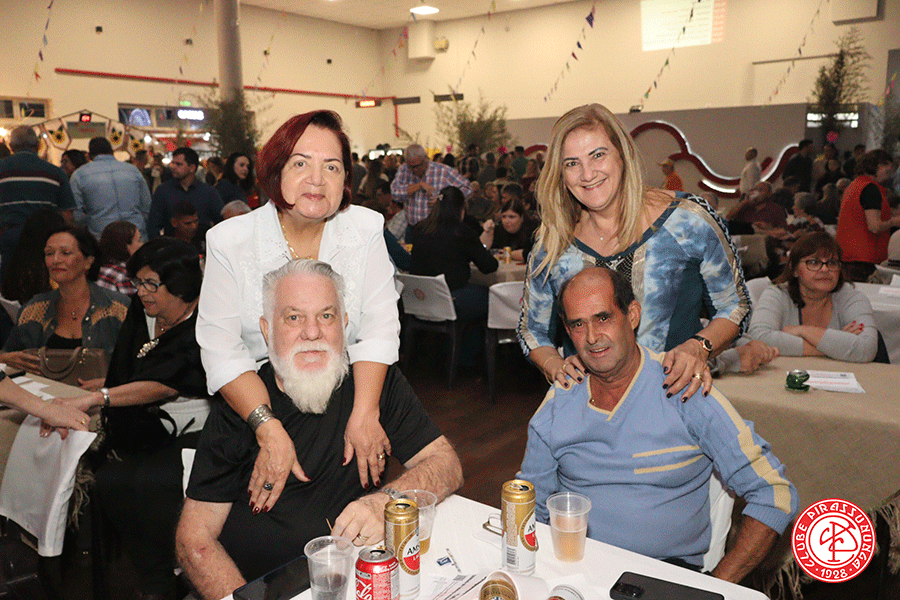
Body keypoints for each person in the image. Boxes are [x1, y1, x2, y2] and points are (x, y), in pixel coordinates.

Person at [176, 260, 462, 600]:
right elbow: (194, 541)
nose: (312, 333)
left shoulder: (374, 387)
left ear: (344, 324)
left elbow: (447, 464)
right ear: (267, 330)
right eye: (293, 318)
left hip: (360, 583)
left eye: (326, 316)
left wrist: (386, 502)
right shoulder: (242, 409)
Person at [518, 267, 798, 582]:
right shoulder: (561, 399)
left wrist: (717, 587)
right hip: (574, 569)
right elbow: (529, 505)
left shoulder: (683, 387)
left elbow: (774, 494)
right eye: (578, 324)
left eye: (603, 318)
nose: (592, 337)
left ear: (632, 315)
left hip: (661, 577)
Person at [196, 110, 401, 514]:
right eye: (301, 163)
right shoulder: (230, 241)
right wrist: (266, 426)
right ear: (276, 171)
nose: (317, 179)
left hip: (344, 399)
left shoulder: (365, 229)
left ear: (346, 180)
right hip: (255, 403)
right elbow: (220, 350)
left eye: (332, 167)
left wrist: (365, 412)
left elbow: (379, 329)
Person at [519, 104, 749, 400]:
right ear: (560, 174)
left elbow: (735, 306)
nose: (587, 174)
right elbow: (532, 329)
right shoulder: (553, 242)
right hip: (590, 407)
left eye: (598, 155)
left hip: (677, 403)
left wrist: (699, 347)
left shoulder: (688, 221)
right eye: (572, 163)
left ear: (622, 154)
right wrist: (554, 364)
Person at [60, 237, 210, 600]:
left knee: (153, 483)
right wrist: (108, 390)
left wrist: (102, 397)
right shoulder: (142, 312)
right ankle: (151, 573)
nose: (141, 292)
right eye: (138, 282)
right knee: (110, 480)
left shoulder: (206, 319)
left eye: (151, 284)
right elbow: (127, 369)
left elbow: (164, 383)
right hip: (142, 423)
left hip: (198, 425)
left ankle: (175, 575)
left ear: (180, 286)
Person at [0, 225, 129, 380]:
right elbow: (8, 353)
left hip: (104, 393)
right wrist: (6, 358)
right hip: (44, 392)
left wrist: (110, 383)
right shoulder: (34, 309)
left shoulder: (117, 307)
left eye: (65, 253)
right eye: (49, 253)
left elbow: (139, 366)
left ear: (88, 261)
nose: (55, 260)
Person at [748, 231, 878, 362]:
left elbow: (867, 349)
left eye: (832, 263)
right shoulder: (777, 294)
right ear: (794, 269)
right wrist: (836, 346)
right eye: (814, 262)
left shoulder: (852, 298)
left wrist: (802, 330)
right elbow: (758, 337)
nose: (825, 269)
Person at [410, 186, 498, 321]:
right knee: (495, 297)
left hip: (420, 298)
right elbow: (489, 266)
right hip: (452, 298)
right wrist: (484, 247)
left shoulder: (420, 228)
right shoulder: (462, 233)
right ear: (461, 210)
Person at [0, 126, 75, 268]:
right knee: (44, 277)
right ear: (39, 145)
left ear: (11, 146)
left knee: (11, 278)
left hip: (10, 237)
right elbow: (67, 214)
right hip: (46, 238)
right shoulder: (56, 172)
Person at [835, 149, 900, 281]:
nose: (888, 175)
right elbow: (874, 226)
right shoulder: (870, 189)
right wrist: (894, 221)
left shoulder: (854, 186)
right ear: (877, 166)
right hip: (865, 258)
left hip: (848, 253)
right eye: (887, 170)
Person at [70, 136, 152, 240]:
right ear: (112, 152)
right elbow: (146, 206)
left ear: (89, 156)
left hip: (101, 236)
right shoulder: (133, 170)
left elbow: (77, 215)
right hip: (135, 234)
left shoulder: (79, 175)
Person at [147, 147, 223, 239]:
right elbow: (153, 224)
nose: (173, 167)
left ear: (192, 168)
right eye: (173, 163)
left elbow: (220, 221)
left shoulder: (208, 192)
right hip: (172, 244)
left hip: (200, 243)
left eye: (179, 164)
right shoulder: (163, 191)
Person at [390, 143, 473, 228]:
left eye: (418, 166)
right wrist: (418, 186)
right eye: (411, 167)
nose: (415, 170)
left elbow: (467, 188)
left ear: (426, 159)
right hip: (413, 227)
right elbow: (395, 193)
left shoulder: (443, 171)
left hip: (437, 228)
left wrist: (444, 199)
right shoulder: (404, 169)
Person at [96, 220, 143, 296]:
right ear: (127, 246)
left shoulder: (97, 268)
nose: (142, 244)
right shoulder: (124, 275)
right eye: (139, 240)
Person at [485, 198, 538, 262]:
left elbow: (531, 255)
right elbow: (486, 250)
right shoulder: (499, 230)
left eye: (511, 217)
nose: (507, 221)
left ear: (521, 218)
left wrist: (508, 254)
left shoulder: (533, 231)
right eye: (504, 216)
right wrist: (487, 231)